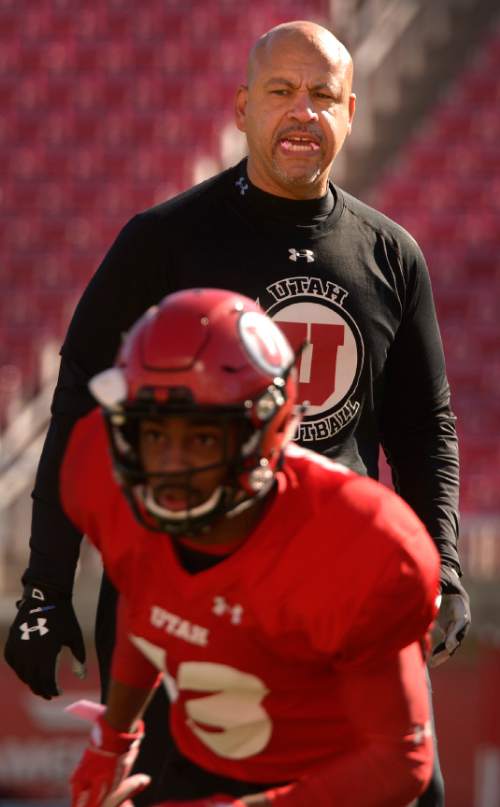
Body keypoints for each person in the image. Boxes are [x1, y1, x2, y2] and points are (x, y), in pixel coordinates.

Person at [4, 19, 470, 807]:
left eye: (323, 95)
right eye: (281, 92)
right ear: (240, 107)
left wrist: (447, 565)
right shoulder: (160, 242)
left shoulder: (392, 253)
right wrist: (46, 587)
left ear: (352, 111)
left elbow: (425, 429)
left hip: (329, 594)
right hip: (180, 572)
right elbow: (79, 411)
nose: (303, 112)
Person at [62, 287, 440, 806]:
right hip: (204, 763)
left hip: (336, 784)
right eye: (154, 435)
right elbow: (148, 595)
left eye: (199, 439)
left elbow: (400, 764)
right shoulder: (101, 470)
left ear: (263, 432)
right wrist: (112, 739)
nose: (170, 466)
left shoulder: (361, 546)